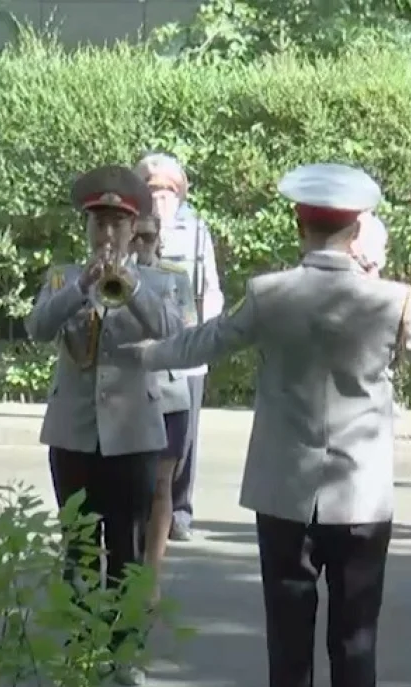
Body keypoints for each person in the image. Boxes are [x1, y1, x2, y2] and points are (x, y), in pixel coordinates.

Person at [120, 162, 411, 687]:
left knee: (288, 646)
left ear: (300, 225)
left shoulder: (268, 294)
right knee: (356, 640)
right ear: (355, 229)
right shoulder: (388, 300)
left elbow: (201, 343)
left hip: (282, 489)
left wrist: (141, 354)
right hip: (360, 494)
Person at [25, 165, 185, 686]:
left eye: (118, 224)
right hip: (73, 432)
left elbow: (172, 333)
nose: (107, 234)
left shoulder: (161, 281)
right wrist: (79, 289)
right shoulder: (60, 276)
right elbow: (37, 327)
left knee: (127, 545)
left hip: (133, 433)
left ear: (134, 227)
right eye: (99, 224)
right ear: (87, 228)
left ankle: (125, 649)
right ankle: (79, 645)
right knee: (78, 545)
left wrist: (131, 285)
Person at [134, 153, 224, 542]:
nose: (161, 196)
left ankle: (180, 511)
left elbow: (210, 289)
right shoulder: (131, 225)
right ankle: (142, 509)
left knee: (183, 437)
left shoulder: (197, 229)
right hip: (142, 347)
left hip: (187, 345)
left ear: (180, 192)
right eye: (152, 188)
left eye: (168, 189)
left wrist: (207, 339)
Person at [133, 213, 199, 604]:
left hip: (168, 391)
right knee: (127, 489)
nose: (141, 244)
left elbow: (187, 326)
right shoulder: (104, 272)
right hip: (127, 395)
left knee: (161, 486)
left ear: (159, 238)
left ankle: (151, 575)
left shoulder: (175, 276)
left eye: (148, 236)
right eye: (136, 236)